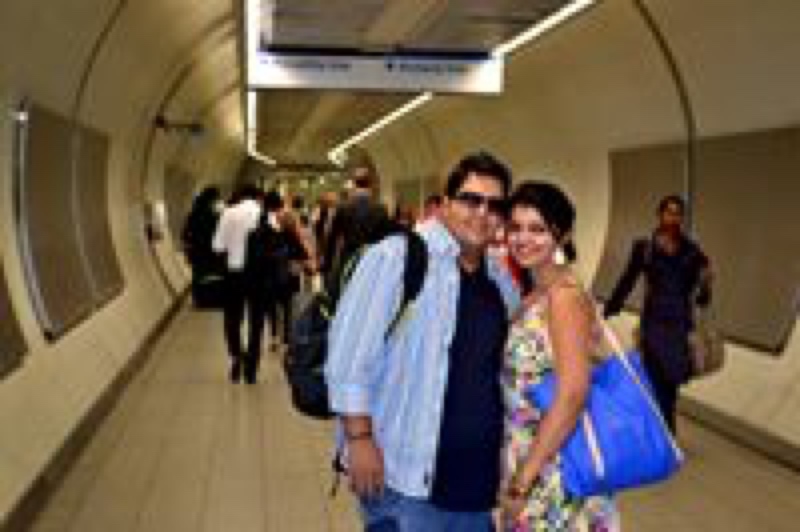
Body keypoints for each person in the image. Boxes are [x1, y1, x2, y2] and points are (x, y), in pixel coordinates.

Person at [325, 151, 520, 531]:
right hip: (406, 480)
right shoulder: (396, 258)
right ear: (444, 203)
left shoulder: (500, 280)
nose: (483, 213)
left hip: (478, 483)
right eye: (470, 200)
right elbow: (348, 360)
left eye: (495, 205)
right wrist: (359, 439)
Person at [501, 181, 619, 531]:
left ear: (563, 236)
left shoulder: (564, 297)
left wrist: (523, 481)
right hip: (530, 454)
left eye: (537, 229)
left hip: (555, 468)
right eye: (515, 227)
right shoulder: (537, 292)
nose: (523, 238)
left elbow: (572, 394)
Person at [603, 195, 712, 433]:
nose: (673, 217)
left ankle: (664, 429)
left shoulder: (692, 252)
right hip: (654, 321)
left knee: (671, 382)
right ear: (660, 215)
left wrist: (706, 284)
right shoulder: (645, 248)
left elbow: (702, 297)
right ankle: (662, 430)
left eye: (678, 213)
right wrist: (612, 306)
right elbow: (628, 278)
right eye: (669, 212)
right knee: (654, 377)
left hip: (679, 323)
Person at [212, 184, 267, 384]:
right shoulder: (264, 214)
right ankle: (252, 369)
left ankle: (237, 356)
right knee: (256, 321)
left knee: (232, 318)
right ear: (258, 197)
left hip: (234, 273)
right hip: (259, 275)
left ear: (240, 196)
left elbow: (217, 246)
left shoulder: (229, 213)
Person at [322, 166, 390, 297]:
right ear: (371, 184)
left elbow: (332, 239)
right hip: (372, 262)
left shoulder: (343, 208)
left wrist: (327, 264)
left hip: (349, 260)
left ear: (354, 183)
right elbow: (386, 240)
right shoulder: (380, 210)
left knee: (346, 296)